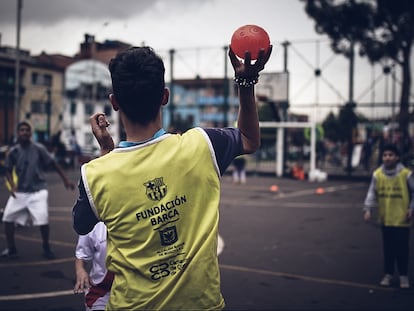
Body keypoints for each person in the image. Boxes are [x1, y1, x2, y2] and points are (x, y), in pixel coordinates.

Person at [72, 45, 272, 310]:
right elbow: (249, 139)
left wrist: (106, 153)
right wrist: (245, 82)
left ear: (114, 102)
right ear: (165, 96)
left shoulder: (95, 173)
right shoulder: (202, 145)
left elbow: (81, 225)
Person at [1, 121, 75, 259]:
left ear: (30, 133)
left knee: (43, 219)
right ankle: (11, 249)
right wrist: (12, 186)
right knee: (7, 219)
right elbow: (7, 170)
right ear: (18, 133)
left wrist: (66, 180)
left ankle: (46, 247)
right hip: (20, 192)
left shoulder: (38, 148)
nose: (24, 132)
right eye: (22, 130)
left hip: (38, 191)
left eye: (27, 130)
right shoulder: (14, 151)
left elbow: (54, 163)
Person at [363, 143, 414, 289]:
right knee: (389, 249)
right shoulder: (377, 174)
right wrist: (368, 209)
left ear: (397, 157)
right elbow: (371, 193)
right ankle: (388, 274)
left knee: (402, 249)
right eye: (385, 155)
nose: (387, 158)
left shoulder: (406, 174)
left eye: (391, 155)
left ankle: (404, 276)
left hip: (402, 219)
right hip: (386, 219)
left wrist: (411, 208)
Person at [74, 221, 114, 311]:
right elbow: (81, 256)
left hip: (135, 290)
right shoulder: (92, 224)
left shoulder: (138, 218)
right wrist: (80, 270)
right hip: (103, 291)